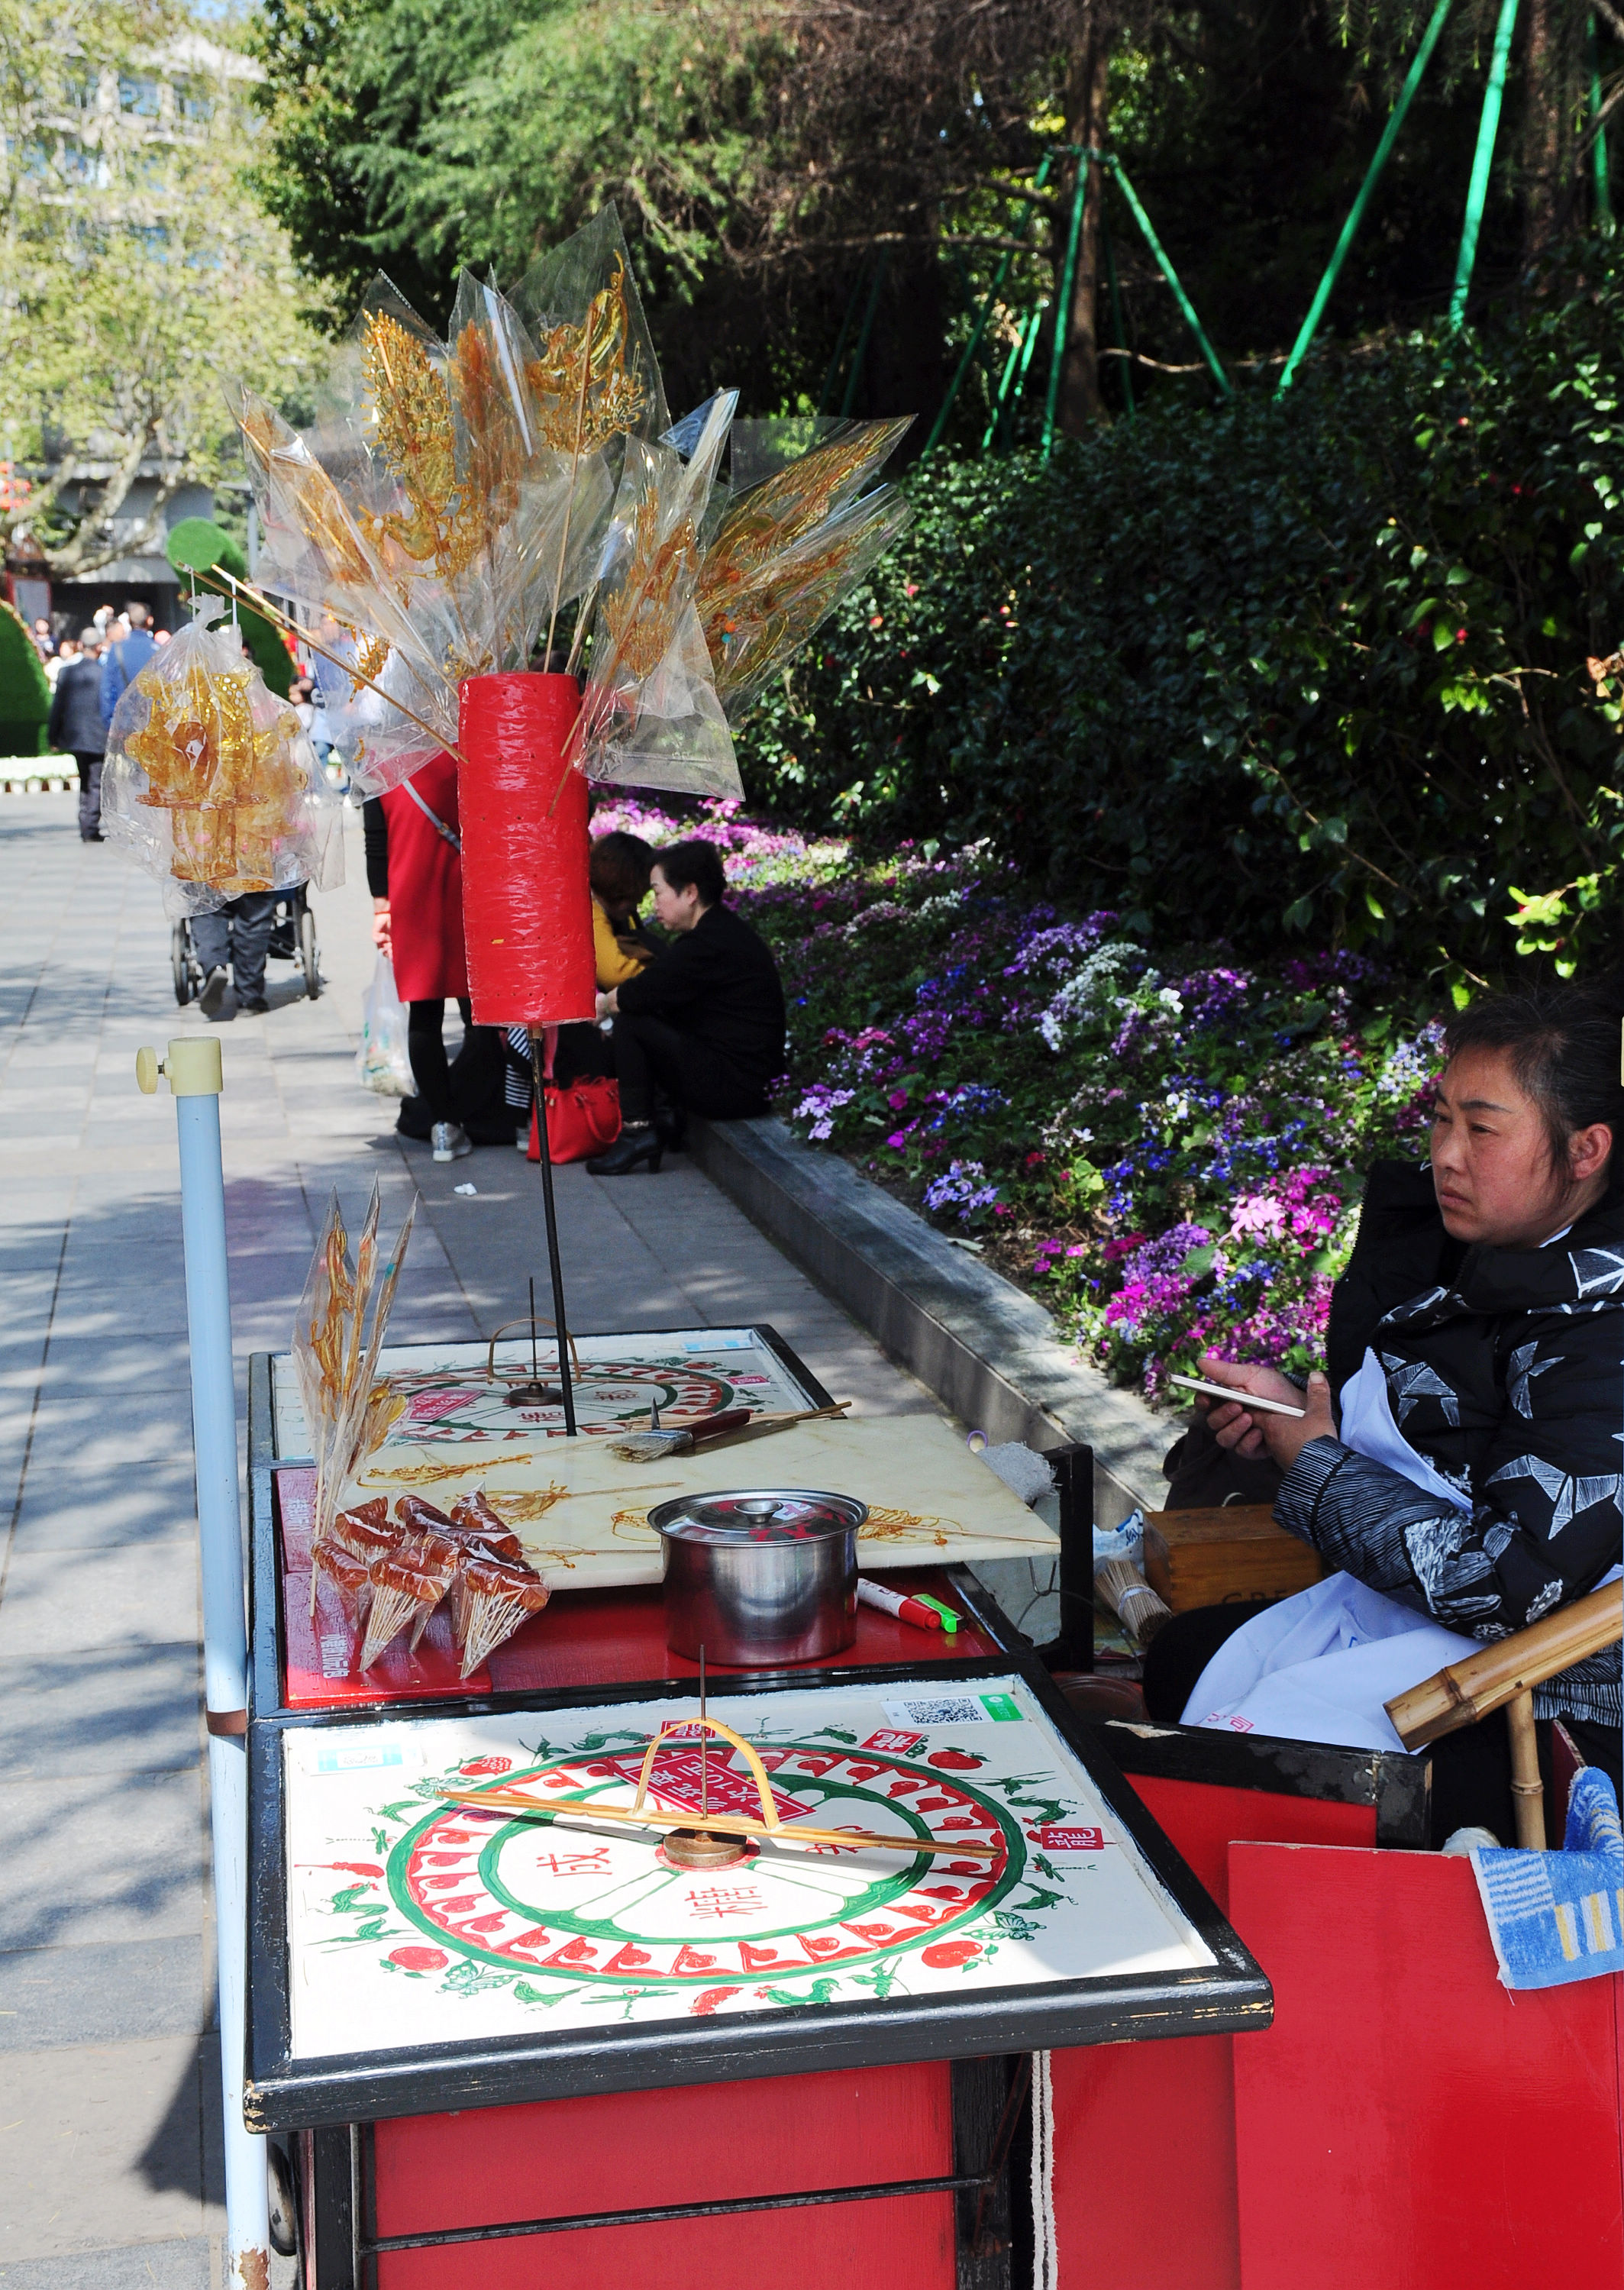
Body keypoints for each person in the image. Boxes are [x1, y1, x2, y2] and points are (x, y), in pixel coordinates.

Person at [1144, 979, 1624, 1843]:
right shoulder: (1505, 1248)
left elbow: (1505, 1583)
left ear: (1586, 1149)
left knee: (1237, 1773)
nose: (1447, 1153)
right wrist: (1298, 1413)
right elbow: (1450, 1437)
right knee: (1182, 1659)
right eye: (1441, 1118)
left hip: (1553, 1696)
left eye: (1483, 1128)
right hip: (1435, 1623)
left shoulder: (1607, 1329)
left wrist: (1317, 1462)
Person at [586, 838, 785, 1177]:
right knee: (645, 1015)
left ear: (690, 893)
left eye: (659, 892)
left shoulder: (708, 944)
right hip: (741, 1079)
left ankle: (638, 1131)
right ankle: (659, 1119)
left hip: (735, 1089)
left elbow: (641, 992)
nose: (654, 903)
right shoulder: (719, 932)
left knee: (632, 1020)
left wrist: (603, 1005)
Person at [363, 753, 513, 1161]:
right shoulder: (471, 752)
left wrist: (382, 909)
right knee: (482, 1012)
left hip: (413, 898)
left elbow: (376, 842)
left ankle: (444, 1125)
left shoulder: (382, 762)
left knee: (424, 1015)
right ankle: (504, 1114)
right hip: (473, 892)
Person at [502, 828, 657, 1135]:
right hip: (563, 1024)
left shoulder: (589, 899)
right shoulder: (592, 908)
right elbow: (613, 971)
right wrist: (660, 971)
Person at [47, 629, 108, 842]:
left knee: (85, 778)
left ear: (81, 645)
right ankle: (90, 825)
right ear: (99, 646)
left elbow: (57, 707)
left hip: (75, 736)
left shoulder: (67, 672)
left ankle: (86, 822)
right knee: (95, 781)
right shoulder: (104, 673)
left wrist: (52, 736)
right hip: (98, 735)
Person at [195, 895, 276, 1018]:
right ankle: (249, 998)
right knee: (253, 921)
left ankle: (214, 966)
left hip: (210, 880)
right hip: (254, 882)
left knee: (206, 910)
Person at [99, 602, 156, 737]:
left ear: (129, 622)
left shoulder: (117, 649)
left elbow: (107, 688)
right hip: (155, 725)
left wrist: (110, 722)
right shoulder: (160, 649)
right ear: (150, 620)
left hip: (125, 725)